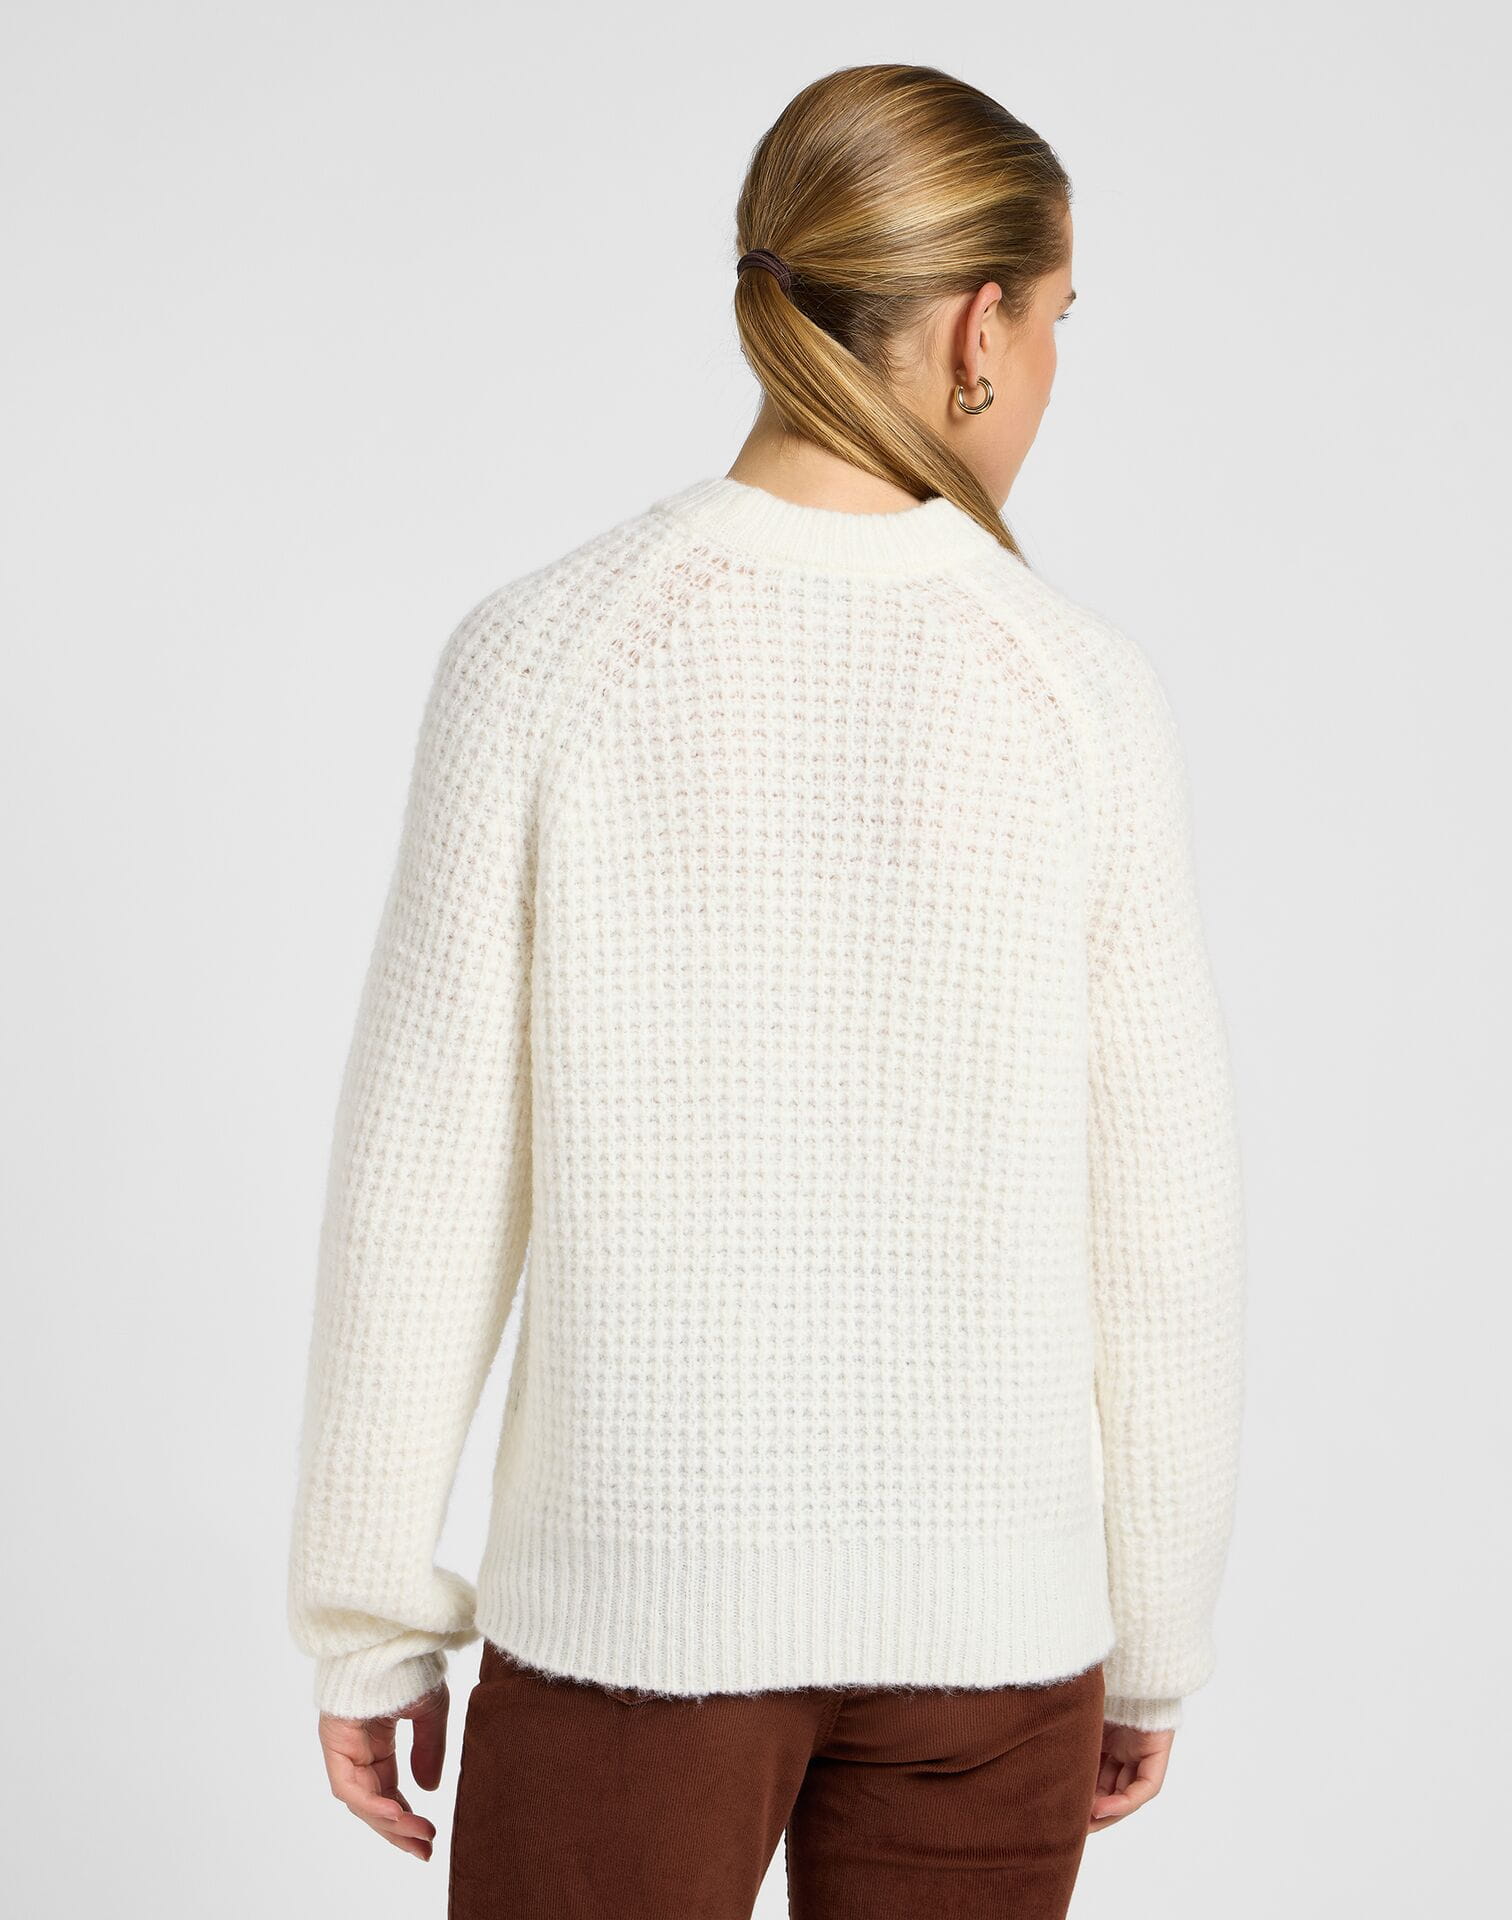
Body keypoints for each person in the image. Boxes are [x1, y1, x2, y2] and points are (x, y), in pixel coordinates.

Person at [286, 60, 1247, 1920]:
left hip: (632, 1617)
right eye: (1061, 320)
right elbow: (1164, 1215)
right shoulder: (1080, 692)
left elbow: (423, 1174)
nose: (1054, 366)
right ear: (977, 331)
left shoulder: (540, 654)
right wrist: (1157, 1631)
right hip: (998, 1634)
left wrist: (369, 1612)